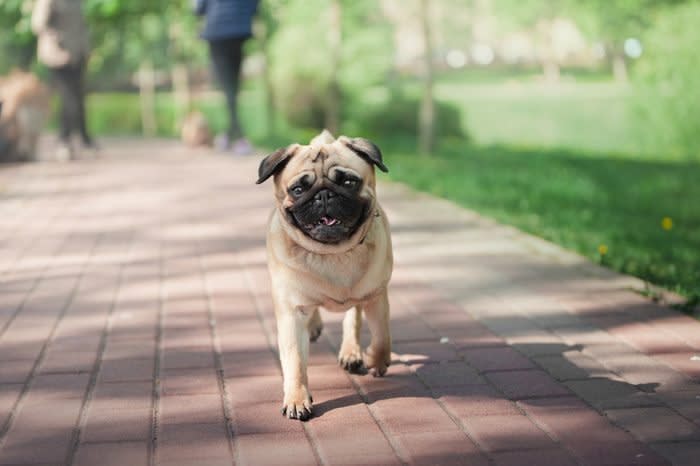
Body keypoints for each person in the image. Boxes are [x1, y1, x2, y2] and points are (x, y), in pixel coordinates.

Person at [32, 0, 96, 160]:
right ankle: (64, 141)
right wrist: (57, 42)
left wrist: (86, 49)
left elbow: (81, 26)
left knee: (79, 98)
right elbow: (38, 24)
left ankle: (84, 138)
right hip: (57, 56)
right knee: (69, 99)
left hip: (77, 55)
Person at [195, 0, 258, 155]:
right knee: (233, 86)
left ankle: (238, 137)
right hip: (239, 30)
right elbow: (254, 5)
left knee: (227, 87)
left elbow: (198, 8)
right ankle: (230, 134)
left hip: (217, 31)